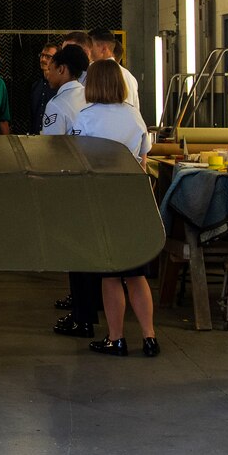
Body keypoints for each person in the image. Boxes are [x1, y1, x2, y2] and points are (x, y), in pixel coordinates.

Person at [70, 59, 159, 358]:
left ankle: (116, 338)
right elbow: (144, 161)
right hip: (133, 198)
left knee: (110, 274)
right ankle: (149, 337)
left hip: (102, 199)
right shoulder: (135, 117)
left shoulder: (86, 118)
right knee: (136, 274)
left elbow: (79, 161)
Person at [43, 44, 98, 336]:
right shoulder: (92, 98)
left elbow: (51, 150)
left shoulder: (57, 105)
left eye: (51, 67)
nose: (48, 72)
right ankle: (88, 308)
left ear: (63, 70)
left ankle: (82, 318)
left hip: (70, 185)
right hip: (95, 184)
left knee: (76, 254)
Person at [87, 30, 141, 116]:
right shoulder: (129, 76)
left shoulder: (97, 74)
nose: (88, 52)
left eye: (90, 47)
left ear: (104, 49)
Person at [28, 44, 57, 134]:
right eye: (42, 55)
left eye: (48, 57)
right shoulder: (36, 85)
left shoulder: (60, 87)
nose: (43, 59)